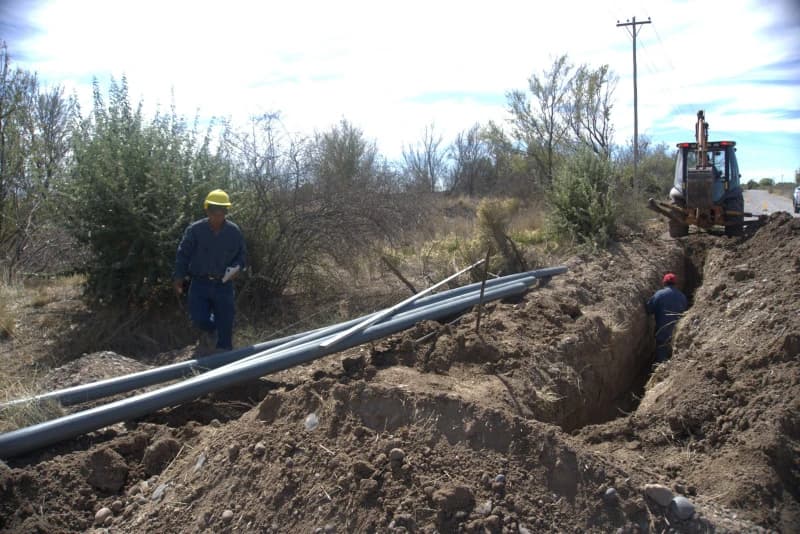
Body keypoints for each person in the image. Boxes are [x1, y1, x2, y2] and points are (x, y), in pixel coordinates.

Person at [173, 189, 246, 352]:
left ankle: (226, 363)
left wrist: (237, 268)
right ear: (207, 209)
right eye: (214, 209)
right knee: (199, 318)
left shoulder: (234, 232)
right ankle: (212, 332)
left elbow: (241, 256)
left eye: (223, 210)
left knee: (226, 324)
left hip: (224, 285)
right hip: (200, 284)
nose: (218, 214)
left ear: (226, 211)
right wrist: (178, 277)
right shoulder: (195, 230)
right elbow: (183, 254)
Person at [645, 273, 688, 364]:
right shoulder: (682, 297)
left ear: (664, 283)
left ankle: (661, 369)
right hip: (678, 330)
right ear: (675, 283)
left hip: (662, 330)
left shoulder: (659, 294)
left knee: (662, 354)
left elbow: (649, 309)